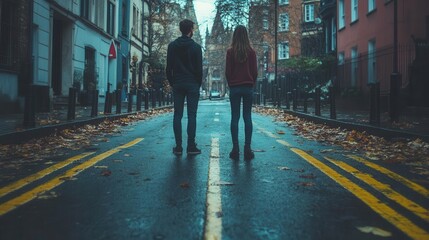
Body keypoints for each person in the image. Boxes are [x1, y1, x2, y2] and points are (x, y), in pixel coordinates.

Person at [166, 19, 203, 155]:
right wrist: (197, 83)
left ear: (181, 29)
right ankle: (191, 146)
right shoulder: (196, 47)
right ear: (191, 30)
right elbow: (199, 70)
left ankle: (178, 147)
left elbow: (168, 68)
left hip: (178, 83)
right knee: (192, 115)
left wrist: (173, 82)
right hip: (192, 83)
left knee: (178, 114)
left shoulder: (172, 46)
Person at [225, 25, 258, 160]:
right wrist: (251, 83)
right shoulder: (251, 52)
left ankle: (235, 149)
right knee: (247, 117)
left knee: (235, 117)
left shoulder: (230, 52)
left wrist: (231, 84)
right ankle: (247, 149)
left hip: (235, 87)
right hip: (247, 87)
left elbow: (228, 72)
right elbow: (255, 72)